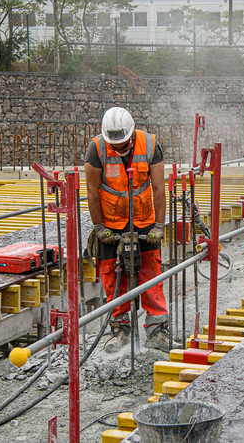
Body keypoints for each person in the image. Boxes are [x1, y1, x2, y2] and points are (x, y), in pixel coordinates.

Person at [85, 106, 175, 353]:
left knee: (151, 273)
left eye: (124, 144)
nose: (120, 149)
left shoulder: (150, 144)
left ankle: (157, 329)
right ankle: (120, 327)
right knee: (112, 275)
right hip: (110, 221)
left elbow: (158, 188)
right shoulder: (96, 147)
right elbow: (92, 190)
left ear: (132, 134)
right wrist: (99, 227)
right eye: (116, 145)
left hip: (144, 218)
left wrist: (158, 225)